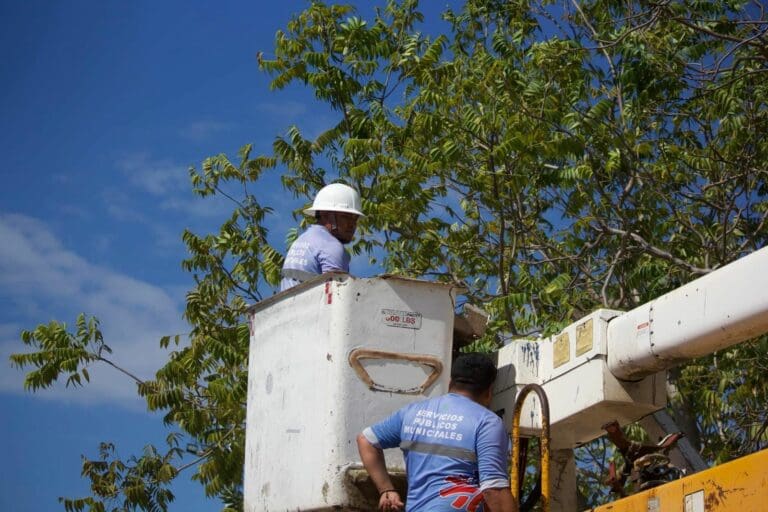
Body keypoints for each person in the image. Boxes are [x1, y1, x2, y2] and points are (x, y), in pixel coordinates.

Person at [357, 353, 516, 512]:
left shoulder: (412, 413)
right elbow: (494, 491)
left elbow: (366, 440)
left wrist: (386, 489)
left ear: (450, 384)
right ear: (489, 392)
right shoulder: (487, 422)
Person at [280, 183, 365, 292]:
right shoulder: (331, 246)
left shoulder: (300, 241)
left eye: (355, 218)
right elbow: (337, 296)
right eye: (346, 217)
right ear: (325, 214)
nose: (352, 224)